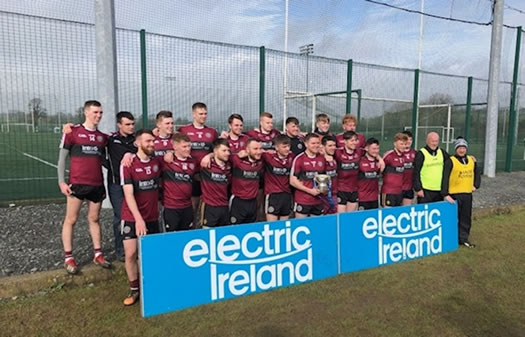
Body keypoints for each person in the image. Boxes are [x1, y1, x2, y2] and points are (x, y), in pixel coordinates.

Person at [57, 100, 111, 275]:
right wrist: (61, 182)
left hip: (96, 185)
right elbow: (61, 159)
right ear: (86, 112)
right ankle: (68, 257)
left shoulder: (103, 137)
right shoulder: (72, 132)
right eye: (95, 112)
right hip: (77, 184)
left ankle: (98, 254)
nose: (98, 116)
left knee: (94, 219)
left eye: (100, 113)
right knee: (71, 220)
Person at [120, 129, 162, 306]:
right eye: (147, 141)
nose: (151, 144)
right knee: (131, 254)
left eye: (153, 141)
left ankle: (150, 287)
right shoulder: (128, 164)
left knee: (150, 255)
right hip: (132, 216)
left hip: (152, 216)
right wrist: (138, 219)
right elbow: (128, 195)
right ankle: (134, 289)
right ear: (137, 143)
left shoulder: (157, 162)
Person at [178, 102, 219, 220]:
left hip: (207, 174)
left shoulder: (212, 132)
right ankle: (191, 229)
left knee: (208, 205)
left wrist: (209, 156)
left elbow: (217, 150)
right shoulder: (184, 130)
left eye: (205, 113)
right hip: (189, 174)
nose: (203, 116)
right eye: (200, 114)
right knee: (192, 206)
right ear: (193, 115)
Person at [107, 111, 137, 261]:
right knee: (120, 216)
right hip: (116, 184)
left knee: (136, 214)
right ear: (119, 125)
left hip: (133, 184)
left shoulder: (136, 139)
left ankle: (136, 248)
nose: (131, 127)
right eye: (127, 124)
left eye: (132, 124)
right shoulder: (111, 139)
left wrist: (130, 154)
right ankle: (120, 250)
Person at [441, 137, 481, 248]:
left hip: (467, 194)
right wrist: (445, 194)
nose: (461, 150)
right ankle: (451, 239)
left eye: (463, 148)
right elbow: (445, 178)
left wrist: (476, 185)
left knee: (465, 217)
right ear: (456, 149)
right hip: (455, 194)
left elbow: (477, 173)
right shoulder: (451, 161)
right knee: (453, 218)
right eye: (459, 148)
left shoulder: (471, 160)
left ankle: (463, 238)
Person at [161, 133, 197, 232]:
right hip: (171, 207)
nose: (187, 149)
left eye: (189, 146)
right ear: (175, 146)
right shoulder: (166, 161)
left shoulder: (193, 162)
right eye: (184, 146)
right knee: (170, 238)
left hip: (187, 207)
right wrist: (128, 154)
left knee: (186, 237)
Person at [290, 133, 326, 218]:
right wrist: (310, 191)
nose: (316, 145)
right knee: (300, 227)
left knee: (317, 228)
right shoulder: (299, 159)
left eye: (318, 143)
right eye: (313, 143)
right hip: (303, 200)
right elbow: (292, 181)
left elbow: (323, 177)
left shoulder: (322, 158)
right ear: (306, 144)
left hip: (318, 200)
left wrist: (322, 189)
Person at [230, 138, 264, 224]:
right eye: (255, 149)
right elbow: (219, 154)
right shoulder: (236, 159)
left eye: (260, 149)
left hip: (253, 202)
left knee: (250, 230)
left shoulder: (261, 161)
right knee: (234, 231)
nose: (259, 151)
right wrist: (209, 156)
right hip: (238, 201)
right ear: (247, 150)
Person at [200, 139, 232, 228]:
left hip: (224, 206)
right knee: (207, 236)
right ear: (215, 151)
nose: (227, 153)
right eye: (224, 150)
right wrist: (208, 156)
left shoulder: (230, 164)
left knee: (223, 236)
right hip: (210, 206)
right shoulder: (205, 164)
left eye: (228, 150)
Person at [262, 134, 294, 221]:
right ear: (276, 147)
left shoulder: (292, 157)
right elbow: (255, 152)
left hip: (287, 195)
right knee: (272, 226)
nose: (287, 149)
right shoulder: (268, 157)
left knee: (284, 226)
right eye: (284, 147)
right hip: (273, 195)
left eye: (288, 146)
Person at [413, 132, 450, 203]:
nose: (434, 143)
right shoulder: (421, 153)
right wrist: (418, 188)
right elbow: (416, 172)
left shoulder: (442, 152)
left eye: (436, 141)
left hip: (438, 190)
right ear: (427, 141)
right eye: (432, 141)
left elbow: (453, 161)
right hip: (425, 190)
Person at [335, 131, 361, 213]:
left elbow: (371, 151)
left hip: (354, 190)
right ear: (345, 141)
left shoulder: (359, 151)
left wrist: (380, 159)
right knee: (340, 218)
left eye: (355, 140)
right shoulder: (338, 152)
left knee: (350, 218)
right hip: (341, 189)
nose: (354, 143)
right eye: (351, 140)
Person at [381, 133, 407, 208]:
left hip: (399, 192)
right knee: (387, 216)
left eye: (405, 144)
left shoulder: (404, 156)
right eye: (401, 144)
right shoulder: (389, 155)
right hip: (388, 192)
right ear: (395, 144)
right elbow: (380, 168)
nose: (403, 146)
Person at [357, 138, 385, 210]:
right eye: (373, 149)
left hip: (374, 198)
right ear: (366, 148)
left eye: (377, 149)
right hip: (362, 199)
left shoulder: (378, 163)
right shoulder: (360, 161)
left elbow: (382, 169)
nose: (376, 151)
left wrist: (380, 159)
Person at [321, 135, 338, 214]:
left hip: (334, 195)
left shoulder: (335, 159)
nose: (333, 148)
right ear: (323, 147)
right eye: (330, 146)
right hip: (322, 197)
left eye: (334, 145)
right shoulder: (319, 160)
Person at [401, 130, 417, 205]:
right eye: (407, 139)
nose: (409, 141)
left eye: (411, 139)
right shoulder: (396, 153)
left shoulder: (415, 153)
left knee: (406, 211)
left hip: (409, 188)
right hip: (397, 189)